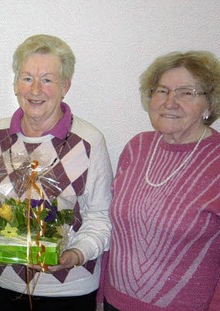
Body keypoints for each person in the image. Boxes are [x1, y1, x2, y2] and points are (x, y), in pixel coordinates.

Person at [0, 34, 113, 311]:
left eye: (47, 79)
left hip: (68, 290)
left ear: (65, 85)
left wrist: (76, 254)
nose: (35, 90)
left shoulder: (88, 142)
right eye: (27, 78)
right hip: (2, 284)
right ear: (16, 83)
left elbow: (101, 217)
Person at [101, 51, 220, 311]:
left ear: (209, 104)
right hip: (114, 302)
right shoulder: (137, 147)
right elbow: (116, 234)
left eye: (186, 92)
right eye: (162, 90)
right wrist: (100, 297)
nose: (170, 102)